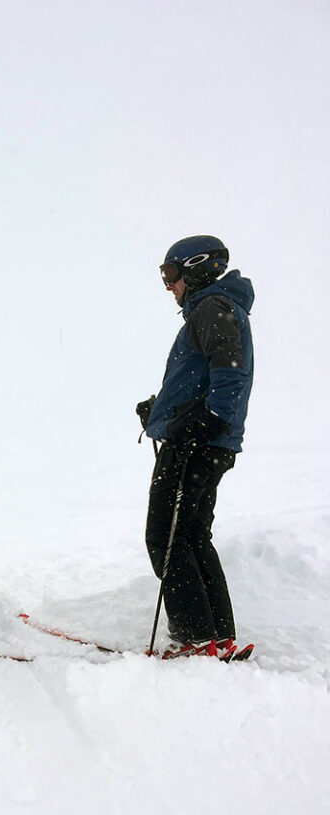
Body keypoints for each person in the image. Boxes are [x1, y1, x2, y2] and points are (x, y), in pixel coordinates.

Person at [136, 235, 254, 659]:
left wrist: (205, 422)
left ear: (197, 268)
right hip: (209, 441)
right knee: (190, 536)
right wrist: (160, 409)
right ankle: (217, 636)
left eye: (171, 274)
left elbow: (230, 373)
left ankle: (195, 639)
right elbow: (202, 378)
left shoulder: (210, 307)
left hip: (197, 443)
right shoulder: (218, 308)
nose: (168, 285)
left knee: (164, 537)